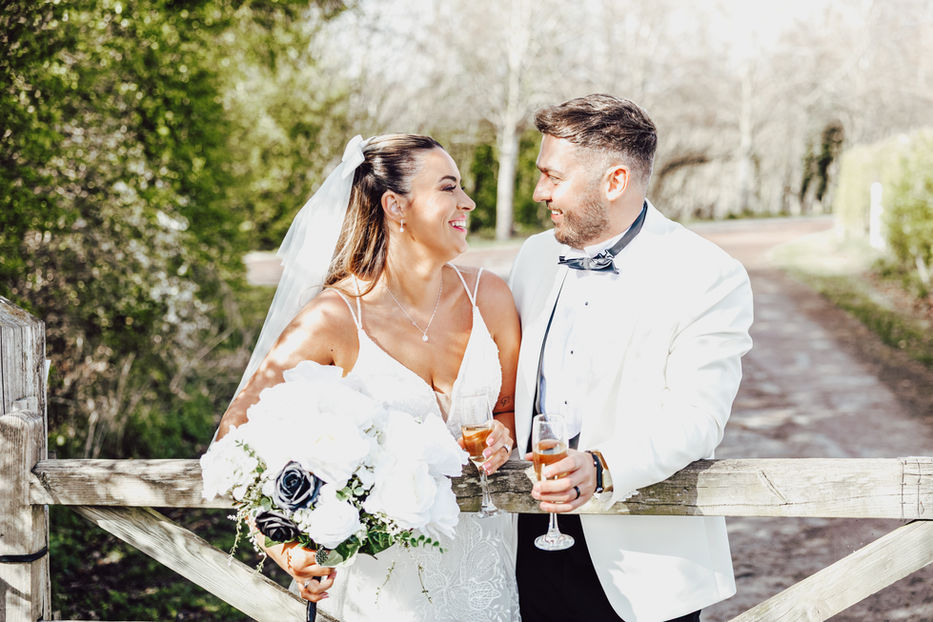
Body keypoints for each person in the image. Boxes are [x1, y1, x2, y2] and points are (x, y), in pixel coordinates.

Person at [214, 134, 522, 621]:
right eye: (449, 187)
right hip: (377, 590)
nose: (468, 201)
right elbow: (234, 442)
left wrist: (504, 432)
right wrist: (284, 548)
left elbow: (507, 408)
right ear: (396, 206)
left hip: (484, 573)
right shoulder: (334, 318)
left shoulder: (492, 298)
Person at [509, 94, 754, 621]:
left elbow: (698, 418)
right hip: (526, 535)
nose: (538, 191)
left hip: (644, 558)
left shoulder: (707, 273)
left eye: (554, 177)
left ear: (614, 182)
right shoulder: (532, 257)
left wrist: (601, 468)